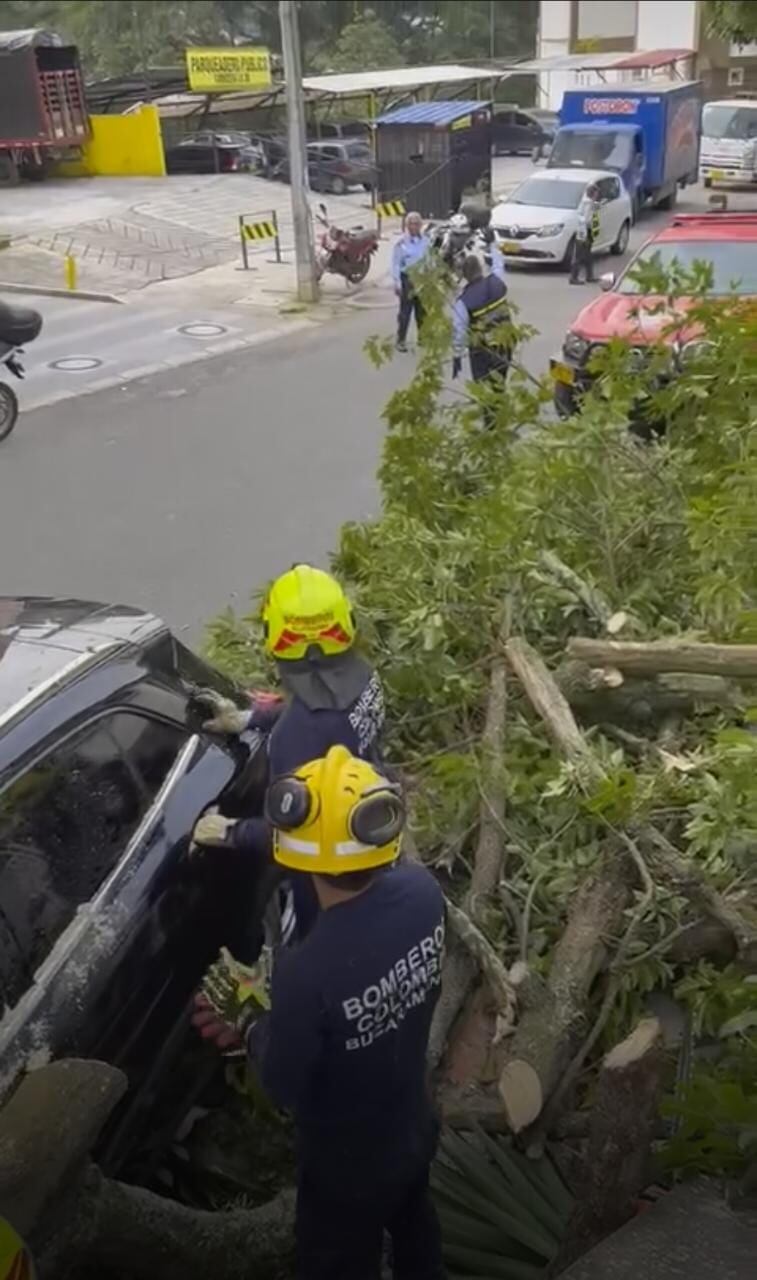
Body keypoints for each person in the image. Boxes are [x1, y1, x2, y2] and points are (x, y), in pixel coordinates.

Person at [193, 745, 446, 1280]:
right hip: (413, 1125)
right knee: (416, 1230)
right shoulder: (425, 895)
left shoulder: (307, 974)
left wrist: (251, 1023)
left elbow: (283, 1084)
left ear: (294, 852)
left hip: (346, 1169)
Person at [192, 564, 386, 940]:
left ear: (273, 634)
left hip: (325, 881)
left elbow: (298, 833)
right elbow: (323, 710)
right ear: (345, 623)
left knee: (309, 946)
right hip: (372, 827)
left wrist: (232, 832)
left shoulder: (299, 737)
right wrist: (252, 718)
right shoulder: (362, 676)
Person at [452, 237, 511, 425]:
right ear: (480, 269)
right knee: (499, 384)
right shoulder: (496, 282)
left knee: (484, 386)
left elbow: (459, 330)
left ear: (465, 275)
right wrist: (493, 244)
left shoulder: (464, 300)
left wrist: (457, 354)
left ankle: (490, 424)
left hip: (481, 351)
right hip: (505, 344)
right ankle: (498, 418)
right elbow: (499, 264)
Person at [392, 211, 431, 352]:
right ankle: (400, 340)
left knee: (422, 311)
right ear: (407, 225)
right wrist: (397, 283)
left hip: (423, 278)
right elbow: (396, 263)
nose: (414, 226)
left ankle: (423, 338)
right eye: (411, 223)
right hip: (407, 279)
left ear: (420, 225)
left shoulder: (426, 241)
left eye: (416, 223)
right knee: (405, 313)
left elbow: (429, 261)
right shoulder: (401, 243)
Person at [570, 183, 601, 285]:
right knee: (580, 255)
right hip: (584, 232)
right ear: (593, 193)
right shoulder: (588, 204)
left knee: (588, 255)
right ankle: (574, 278)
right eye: (596, 193)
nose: (598, 195)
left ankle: (589, 276)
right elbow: (587, 219)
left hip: (583, 231)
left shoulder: (586, 203)